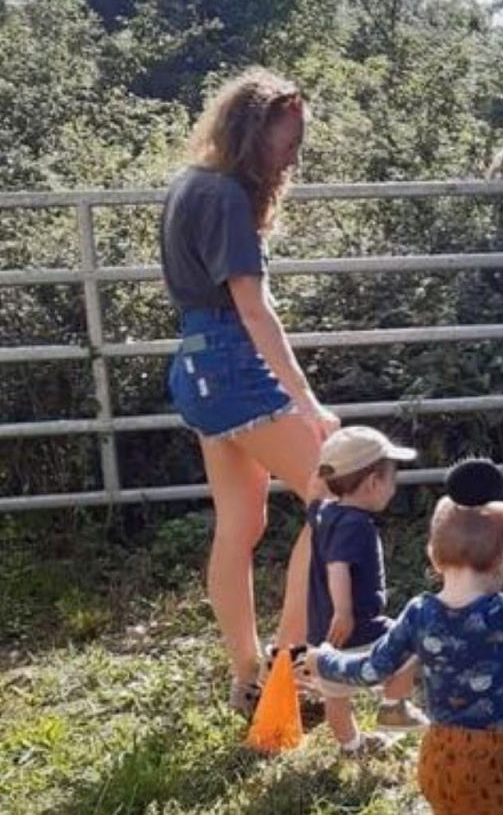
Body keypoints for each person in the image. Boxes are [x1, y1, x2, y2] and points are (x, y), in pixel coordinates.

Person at [159, 67, 340, 716]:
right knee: (333, 499)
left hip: (197, 365)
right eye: (287, 142)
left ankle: (247, 676)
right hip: (234, 363)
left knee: (240, 523)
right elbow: (254, 311)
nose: (294, 156)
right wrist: (308, 402)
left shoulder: (189, 185)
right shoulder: (230, 198)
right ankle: (290, 669)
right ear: (252, 131)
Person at [308, 487, 503, 813]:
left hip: (440, 755)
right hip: (495, 762)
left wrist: (323, 659)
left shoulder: (419, 613)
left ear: (434, 556)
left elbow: (371, 669)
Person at [304, 426, 430, 756]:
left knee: (336, 698)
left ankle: (352, 746)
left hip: (322, 635)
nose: (394, 486)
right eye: (391, 479)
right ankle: (392, 705)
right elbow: (337, 566)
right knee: (414, 642)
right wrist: (343, 610)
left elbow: (313, 491)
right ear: (374, 483)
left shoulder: (323, 513)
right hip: (357, 626)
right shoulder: (355, 524)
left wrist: (327, 462)